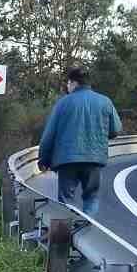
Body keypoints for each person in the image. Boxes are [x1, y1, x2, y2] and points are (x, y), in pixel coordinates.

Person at [38, 64, 121, 217]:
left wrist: (43, 160)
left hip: (66, 160)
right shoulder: (105, 102)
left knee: (65, 200)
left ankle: (66, 232)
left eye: (68, 83)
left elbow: (49, 136)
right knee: (91, 197)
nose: (67, 86)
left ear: (74, 83)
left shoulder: (63, 103)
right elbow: (115, 130)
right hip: (94, 159)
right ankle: (86, 226)